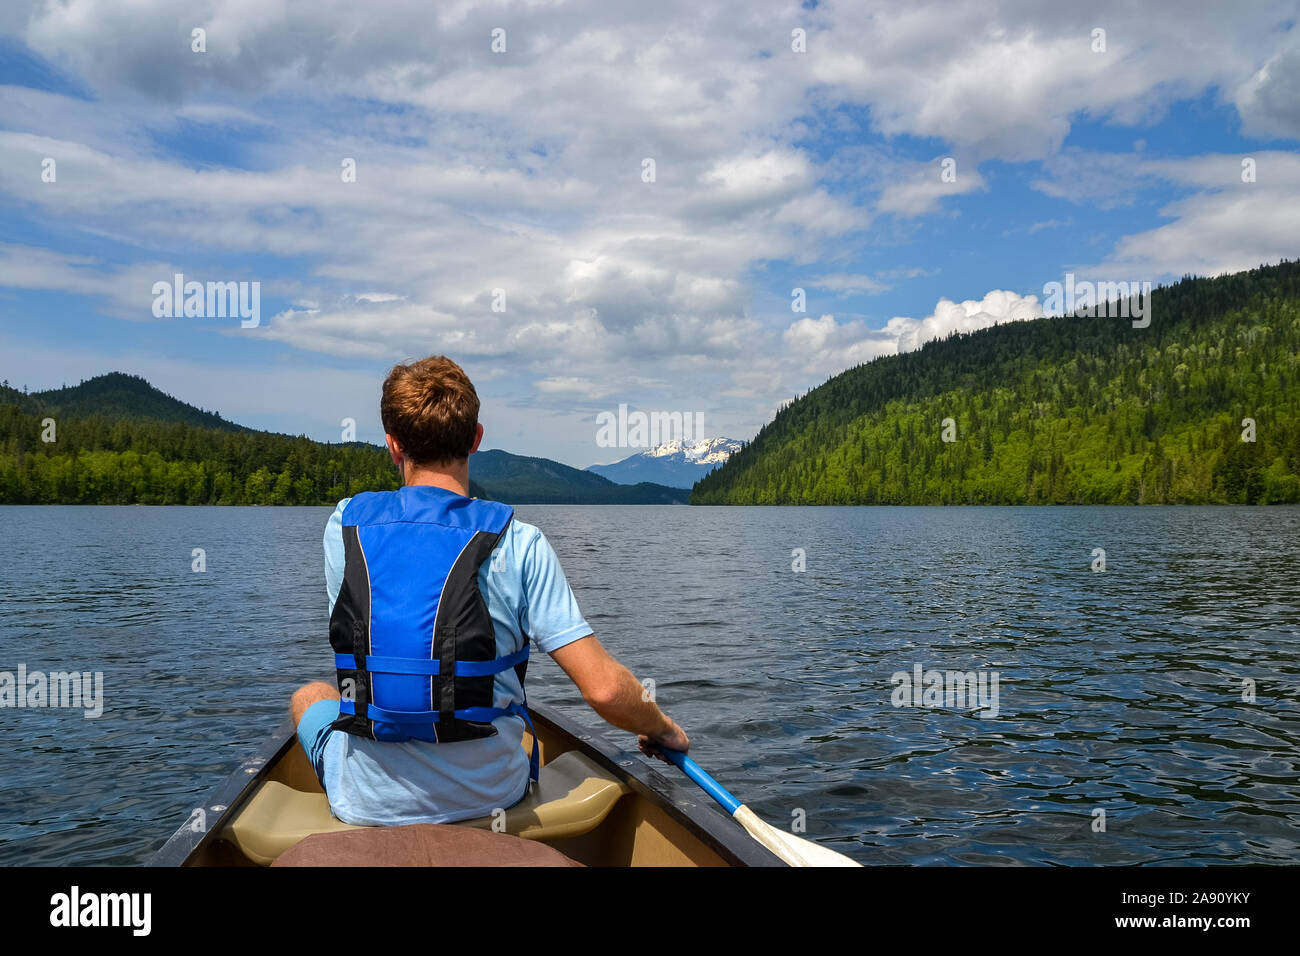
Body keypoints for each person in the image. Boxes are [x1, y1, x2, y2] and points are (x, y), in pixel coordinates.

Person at [289, 355, 689, 826]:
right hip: (493, 796)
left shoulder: (344, 525)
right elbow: (603, 690)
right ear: (476, 438)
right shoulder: (520, 542)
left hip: (365, 805)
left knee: (310, 695)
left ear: (393, 445)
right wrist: (664, 728)